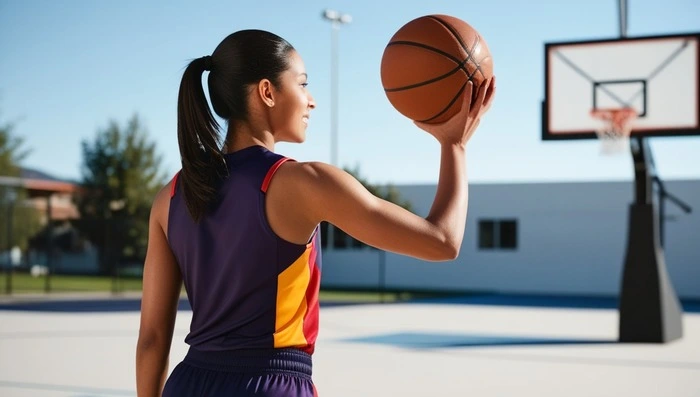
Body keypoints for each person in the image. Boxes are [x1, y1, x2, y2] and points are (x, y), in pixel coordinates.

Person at [136, 29, 495, 397]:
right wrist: (454, 145)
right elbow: (442, 241)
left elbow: (152, 338)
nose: (311, 101)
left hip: (188, 383)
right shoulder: (302, 182)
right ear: (267, 92)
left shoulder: (172, 195)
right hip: (266, 386)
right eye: (303, 84)